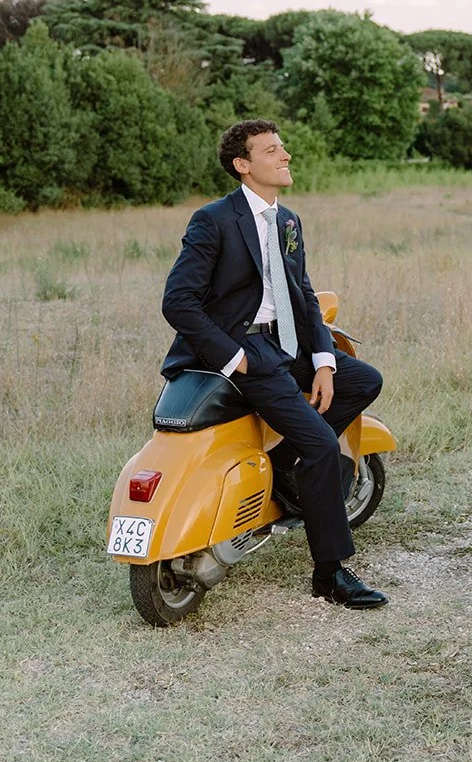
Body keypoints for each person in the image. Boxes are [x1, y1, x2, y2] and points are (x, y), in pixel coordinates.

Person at [161, 119, 388, 610]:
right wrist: (234, 357)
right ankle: (331, 574)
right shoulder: (213, 220)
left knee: (364, 379)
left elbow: (302, 292)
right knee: (323, 446)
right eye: (271, 150)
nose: (284, 155)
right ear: (243, 166)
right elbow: (178, 302)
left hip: (288, 347)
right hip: (244, 354)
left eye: (283, 147)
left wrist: (325, 360)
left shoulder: (287, 221)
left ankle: (286, 460)